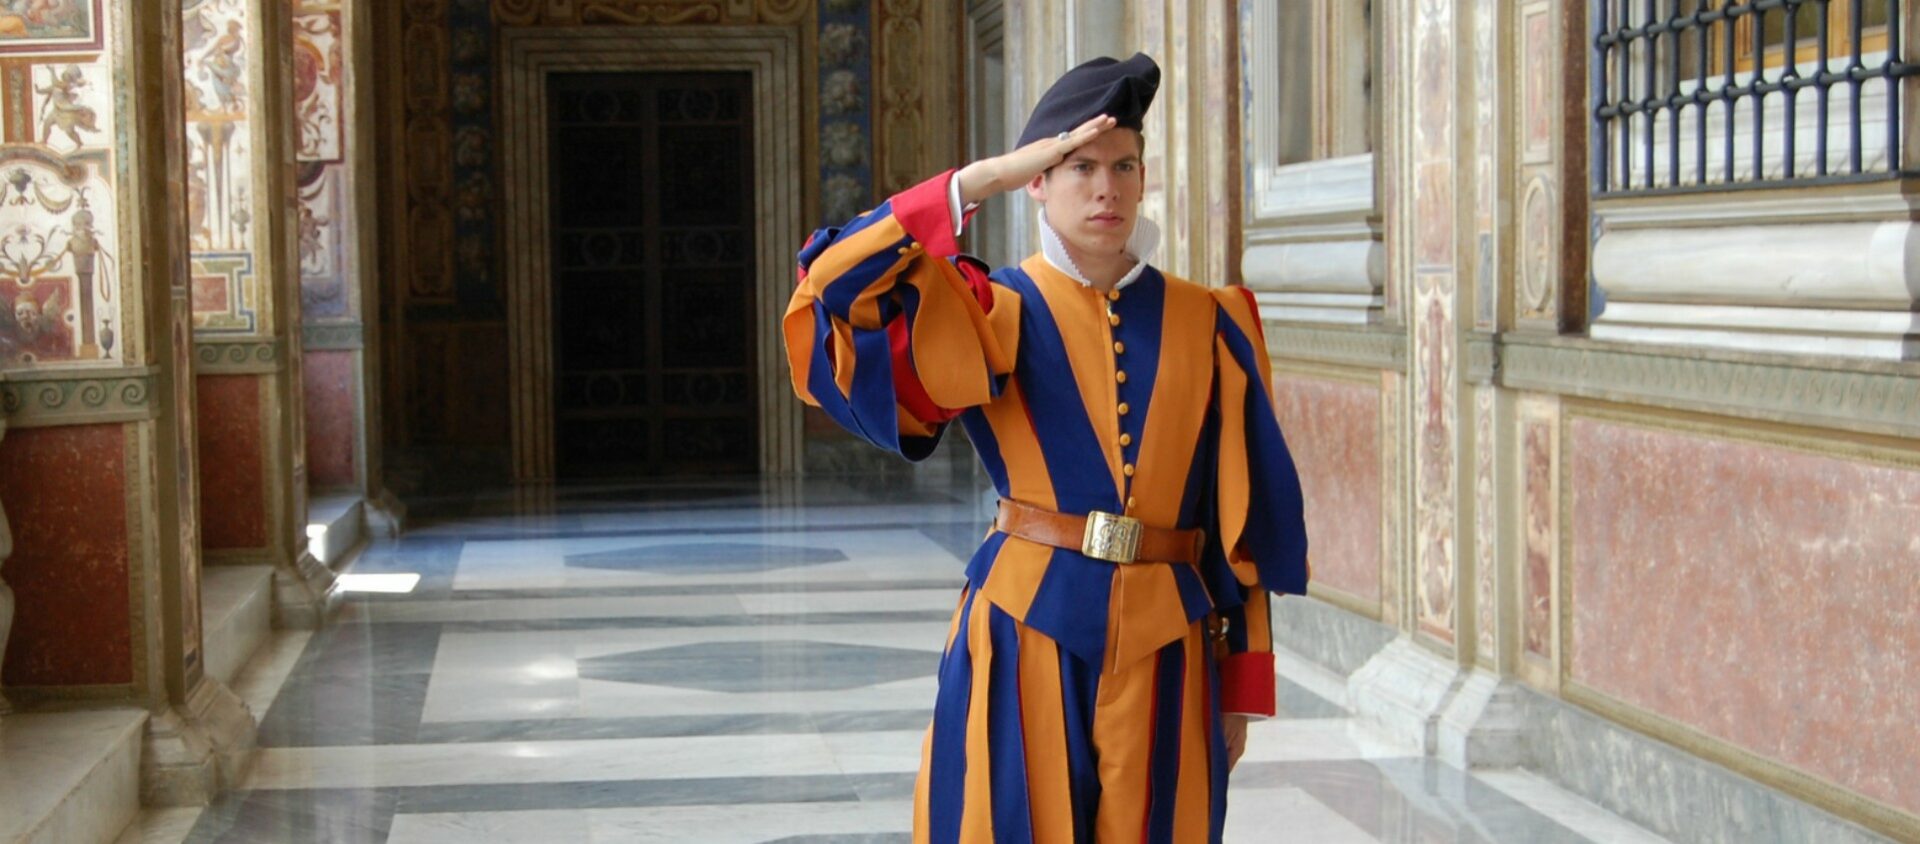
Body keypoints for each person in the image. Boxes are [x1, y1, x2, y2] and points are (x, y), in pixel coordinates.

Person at [782, 53, 1309, 843]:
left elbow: (1242, 520)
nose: (1108, 189)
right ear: (1039, 180)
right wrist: (978, 181)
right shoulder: (986, 309)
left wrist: (1242, 681)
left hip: (1171, 639)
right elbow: (831, 286)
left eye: (1125, 166)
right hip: (1021, 627)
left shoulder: (1216, 322)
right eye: (1080, 166)